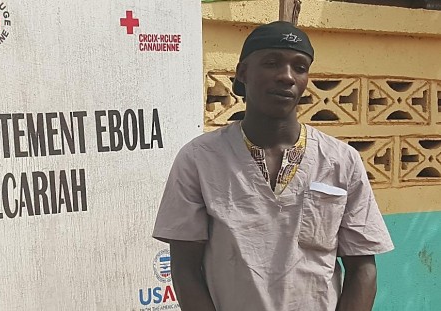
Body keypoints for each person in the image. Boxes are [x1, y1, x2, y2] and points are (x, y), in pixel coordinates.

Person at [152, 21, 394, 311]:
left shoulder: (341, 161)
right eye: (271, 63)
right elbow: (185, 268)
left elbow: (362, 268)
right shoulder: (199, 159)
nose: (286, 77)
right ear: (243, 72)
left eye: (300, 67)